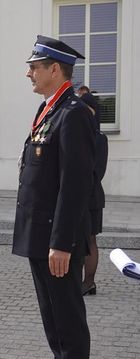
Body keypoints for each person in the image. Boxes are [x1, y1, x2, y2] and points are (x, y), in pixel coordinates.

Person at [13, 36, 96, 359]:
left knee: (68, 324)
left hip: (55, 241)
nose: (29, 73)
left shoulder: (73, 113)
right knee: (54, 323)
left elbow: (75, 185)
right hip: (40, 236)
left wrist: (61, 243)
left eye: (34, 67)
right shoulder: (50, 108)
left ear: (55, 69)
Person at [81, 99, 108, 296]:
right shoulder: (75, 136)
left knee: (90, 240)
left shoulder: (99, 138)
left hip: (91, 196)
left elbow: (98, 171)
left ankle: (89, 282)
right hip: (74, 196)